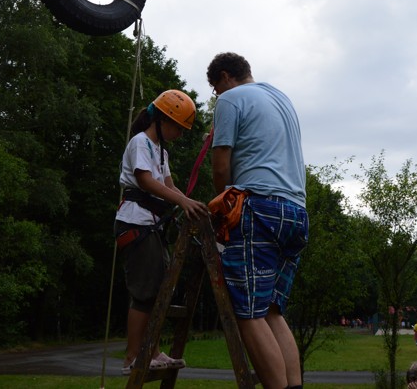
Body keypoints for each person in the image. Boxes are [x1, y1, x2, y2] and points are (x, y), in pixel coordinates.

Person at [207, 52, 309, 389]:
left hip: (258, 210)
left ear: (224, 77)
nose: (216, 97)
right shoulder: (282, 98)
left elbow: (221, 166)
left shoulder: (231, 99)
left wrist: (220, 209)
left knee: (248, 313)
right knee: (271, 311)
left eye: (215, 90)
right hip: (295, 213)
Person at [115, 90, 210, 375]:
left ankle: (152, 351)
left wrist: (189, 203)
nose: (180, 133)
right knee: (144, 292)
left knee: (158, 291)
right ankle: (133, 356)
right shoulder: (140, 143)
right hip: (135, 223)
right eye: (178, 126)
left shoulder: (161, 151)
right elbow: (145, 181)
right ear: (163, 119)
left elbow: (168, 185)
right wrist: (181, 201)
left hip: (150, 225)